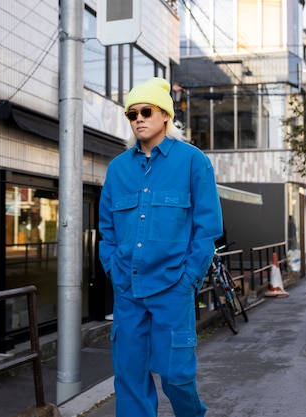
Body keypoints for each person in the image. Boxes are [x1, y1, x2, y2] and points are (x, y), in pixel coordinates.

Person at [98, 77, 223, 417]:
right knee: (129, 379)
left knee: (176, 377)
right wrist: (114, 270)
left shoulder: (193, 161)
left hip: (173, 289)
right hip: (128, 290)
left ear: (165, 115)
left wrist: (188, 281)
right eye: (132, 113)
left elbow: (206, 229)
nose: (139, 118)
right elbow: (106, 231)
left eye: (146, 111)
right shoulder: (117, 169)